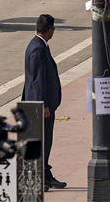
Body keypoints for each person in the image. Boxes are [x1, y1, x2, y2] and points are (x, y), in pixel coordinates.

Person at [23, 14, 65, 189]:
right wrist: (44, 105)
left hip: (42, 104)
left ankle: (45, 175)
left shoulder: (40, 46)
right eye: (53, 29)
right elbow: (37, 80)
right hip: (39, 106)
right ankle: (35, 179)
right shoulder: (37, 49)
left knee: (45, 141)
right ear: (49, 30)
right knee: (39, 142)